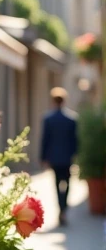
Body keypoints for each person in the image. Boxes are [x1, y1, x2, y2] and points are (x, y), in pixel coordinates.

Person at [41, 87, 78, 225]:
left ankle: (61, 208)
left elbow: (45, 139)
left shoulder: (48, 119)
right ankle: (64, 208)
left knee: (57, 183)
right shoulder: (72, 119)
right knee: (67, 183)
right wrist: (75, 155)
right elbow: (75, 140)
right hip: (67, 157)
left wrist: (43, 157)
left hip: (55, 158)